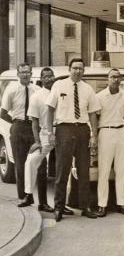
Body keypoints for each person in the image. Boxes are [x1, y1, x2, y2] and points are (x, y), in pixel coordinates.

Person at [46, 58, 101, 221]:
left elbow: (92, 113)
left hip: (83, 130)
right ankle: (59, 207)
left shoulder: (88, 89)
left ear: (84, 71)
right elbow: (50, 110)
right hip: (64, 129)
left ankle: (85, 207)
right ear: (69, 69)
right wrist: (50, 132)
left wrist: (94, 135)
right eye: (75, 68)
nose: (78, 71)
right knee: (62, 170)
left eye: (81, 68)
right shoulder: (59, 85)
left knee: (84, 171)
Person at [0, 63, 40, 206]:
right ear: (18, 74)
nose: (25, 75)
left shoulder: (37, 90)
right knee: (20, 163)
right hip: (18, 127)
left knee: (38, 163)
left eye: (27, 72)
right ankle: (23, 197)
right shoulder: (11, 90)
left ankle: (42, 201)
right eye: (22, 72)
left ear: (31, 74)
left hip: (34, 127)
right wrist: (16, 123)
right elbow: (3, 113)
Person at [96, 69, 124, 217]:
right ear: (108, 79)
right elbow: (96, 117)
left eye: (117, 77)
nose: (115, 79)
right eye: (112, 77)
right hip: (105, 132)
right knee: (104, 170)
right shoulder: (99, 97)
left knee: (121, 170)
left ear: (121, 79)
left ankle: (121, 204)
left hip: (121, 132)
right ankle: (102, 205)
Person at [19, 67, 56, 212]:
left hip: (62, 131)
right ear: (41, 79)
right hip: (45, 133)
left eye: (51, 76)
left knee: (65, 167)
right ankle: (28, 194)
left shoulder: (60, 91)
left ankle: (63, 203)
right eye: (45, 76)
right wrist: (37, 141)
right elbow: (34, 121)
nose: (48, 78)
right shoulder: (37, 96)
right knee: (31, 161)